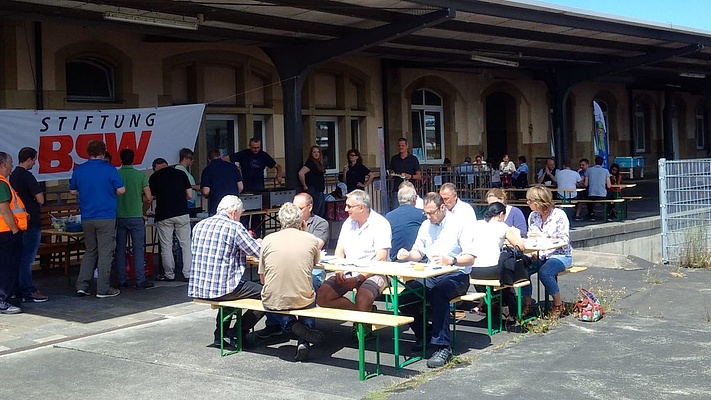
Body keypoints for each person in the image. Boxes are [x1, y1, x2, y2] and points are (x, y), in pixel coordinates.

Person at [395, 192, 475, 368]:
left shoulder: (460, 224)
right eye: (426, 213)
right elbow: (419, 252)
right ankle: (425, 335)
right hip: (432, 272)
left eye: (432, 213)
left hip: (457, 274)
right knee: (405, 297)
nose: (429, 216)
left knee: (439, 294)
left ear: (442, 208)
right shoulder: (425, 225)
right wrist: (408, 255)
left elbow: (470, 258)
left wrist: (452, 260)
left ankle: (442, 346)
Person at [188, 195, 264, 350]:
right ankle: (238, 330)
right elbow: (258, 252)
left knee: (230, 286)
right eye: (240, 215)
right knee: (268, 295)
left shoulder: (200, 225)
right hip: (222, 288)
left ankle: (220, 335)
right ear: (235, 212)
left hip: (199, 287)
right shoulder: (234, 227)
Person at [254, 192, 330, 341]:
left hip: (282, 291)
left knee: (272, 292)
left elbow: (263, 279)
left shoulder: (268, 240)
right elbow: (314, 260)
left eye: (299, 208)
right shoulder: (310, 239)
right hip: (303, 295)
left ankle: (289, 324)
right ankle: (303, 336)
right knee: (303, 288)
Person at [316, 190, 391, 336]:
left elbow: (381, 257)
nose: (345, 209)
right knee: (322, 296)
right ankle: (363, 314)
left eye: (349, 206)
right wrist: (339, 271)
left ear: (361, 207)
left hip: (375, 272)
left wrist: (360, 278)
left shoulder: (380, 223)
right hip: (348, 270)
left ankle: (364, 325)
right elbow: (339, 250)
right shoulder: (348, 223)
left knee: (362, 297)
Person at [70, 140, 125, 298]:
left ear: (88, 152)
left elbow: (72, 191)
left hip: (87, 216)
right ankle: (103, 288)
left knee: (90, 251)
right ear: (103, 151)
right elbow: (121, 189)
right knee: (105, 252)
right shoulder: (109, 169)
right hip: (106, 216)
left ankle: (82, 286)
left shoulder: (79, 170)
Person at [522, 185, 573, 317]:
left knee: (545, 272)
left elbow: (564, 239)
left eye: (530, 201)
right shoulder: (533, 216)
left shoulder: (559, 215)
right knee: (521, 270)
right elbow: (531, 236)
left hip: (560, 254)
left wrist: (542, 239)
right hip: (539, 253)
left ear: (538, 202)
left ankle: (558, 304)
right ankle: (528, 304)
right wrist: (532, 251)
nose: (527, 203)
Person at [469, 201, 526, 318]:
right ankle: (511, 311)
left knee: (501, 274)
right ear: (501, 215)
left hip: (474, 270)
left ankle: (497, 307)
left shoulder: (476, 224)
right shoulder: (502, 226)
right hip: (492, 270)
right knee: (508, 275)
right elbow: (520, 246)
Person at [10, 147, 48, 303]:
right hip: (31, 222)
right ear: (30, 159)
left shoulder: (12, 177)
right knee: (27, 259)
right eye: (34, 159)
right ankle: (28, 290)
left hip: (17, 222)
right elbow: (40, 199)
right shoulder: (27, 177)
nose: (35, 162)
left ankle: (17, 289)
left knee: (19, 258)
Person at [115, 149, 154, 289]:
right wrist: (143, 210)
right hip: (136, 216)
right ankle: (140, 279)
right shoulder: (140, 175)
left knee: (120, 249)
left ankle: (121, 279)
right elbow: (149, 197)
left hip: (119, 216)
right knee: (138, 249)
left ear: (120, 159)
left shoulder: (116, 174)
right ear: (133, 159)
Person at [149, 158, 192, 282]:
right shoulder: (180, 173)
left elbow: (150, 197)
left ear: (156, 166)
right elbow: (189, 195)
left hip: (164, 215)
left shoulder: (154, 177)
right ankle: (187, 274)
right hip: (182, 213)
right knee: (185, 244)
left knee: (166, 245)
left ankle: (169, 274)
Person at [0, 152, 27, 314]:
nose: (12, 166)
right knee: (7, 267)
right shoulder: (2, 184)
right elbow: (4, 209)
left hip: (4, 231)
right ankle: (2, 299)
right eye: (10, 163)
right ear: (3, 164)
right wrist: (15, 230)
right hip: (6, 233)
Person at [385, 184, 425, 261]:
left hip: (395, 259)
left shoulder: (389, 216)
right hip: (418, 260)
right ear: (414, 198)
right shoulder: (421, 214)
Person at [201, 149, 243, 216]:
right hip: (233, 205)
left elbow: (205, 191)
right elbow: (240, 187)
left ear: (209, 159)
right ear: (220, 155)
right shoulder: (233, 167)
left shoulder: (207, 170)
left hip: (216, 205)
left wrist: (208, 196)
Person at [388, 138, 421, 209]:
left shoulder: (413, 159)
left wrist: (411, 176)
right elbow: (391, 173)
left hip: (410, 190)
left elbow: (419, 176)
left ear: (407, 146)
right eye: (399, 145)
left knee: (410, 210)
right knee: (396, 210)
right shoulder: (394, 159)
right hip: (397, 190)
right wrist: (391, 174)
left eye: (402, 145)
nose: (401, 147)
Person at [298, 145, 326, 218]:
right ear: (311, 154)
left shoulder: (319, 163)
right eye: (314, 152)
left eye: (318, 152)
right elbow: (301, 173)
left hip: (320, 189)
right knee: (316, 211)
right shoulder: (310, 163)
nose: (316, 154)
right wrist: (304, 185)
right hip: (314, 189)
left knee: (321, 210)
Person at [585, 156, 612, 222]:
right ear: (602, 163)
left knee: (586, 198)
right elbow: (609, 186)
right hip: (602, 195)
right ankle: (608, 214)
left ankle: (591, 213)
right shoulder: (605, 171)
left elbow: (586, 184)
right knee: (611, 197)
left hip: (591, 194)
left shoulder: (589, 170)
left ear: (595, 162)